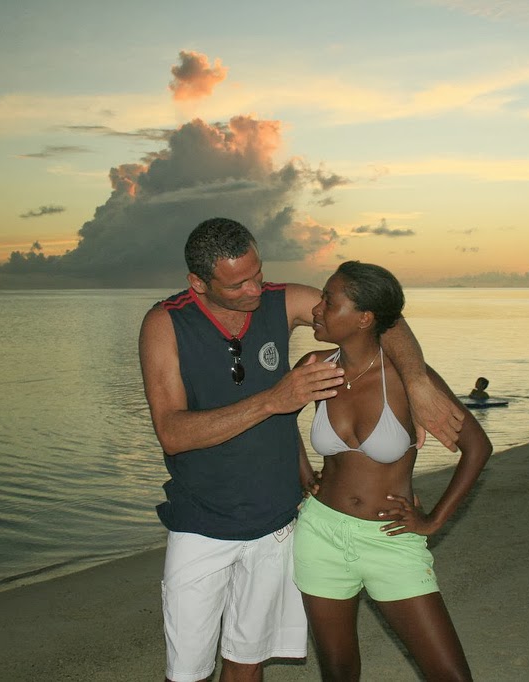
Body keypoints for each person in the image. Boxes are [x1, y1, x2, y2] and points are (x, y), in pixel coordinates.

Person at [138, 218, 465, 682]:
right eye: (239, 283)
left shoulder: (280, 299)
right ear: (198, 283)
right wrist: (274, 400)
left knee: (247, 660)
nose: (256, 289)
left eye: (258, 272)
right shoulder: (166, 323)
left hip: (277, 523)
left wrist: (416, 380)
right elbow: (172, 432)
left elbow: (374, 314)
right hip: (201, 522)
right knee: (187, 670)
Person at [292, 261, 493, 682]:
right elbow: (277, 418)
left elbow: (476, 447)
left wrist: (433, 520)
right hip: (320, 535)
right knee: (338, 671)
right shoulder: (313, 365)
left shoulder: (407, 378)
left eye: (330, 301)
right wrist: (303, 472)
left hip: (391, 541)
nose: (316, 308)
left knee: (450, 675)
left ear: (365, 318)